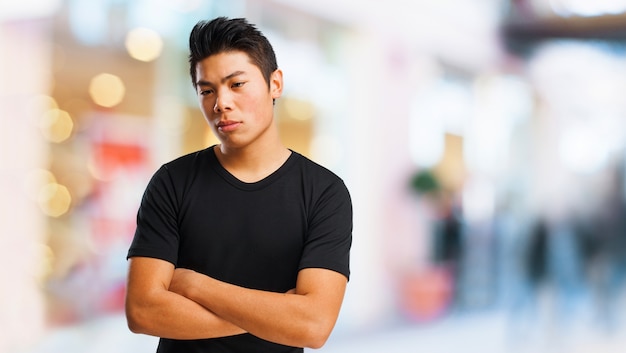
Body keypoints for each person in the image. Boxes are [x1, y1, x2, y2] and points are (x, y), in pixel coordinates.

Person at [124, 16, 353, 353]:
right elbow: (142, 312)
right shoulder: (172, 182)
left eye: (237, 84)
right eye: (207, 90)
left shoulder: (324, 192)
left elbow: (313, 326)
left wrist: (194, 285)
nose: (221, 103)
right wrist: (278, 315)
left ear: (275, 84)